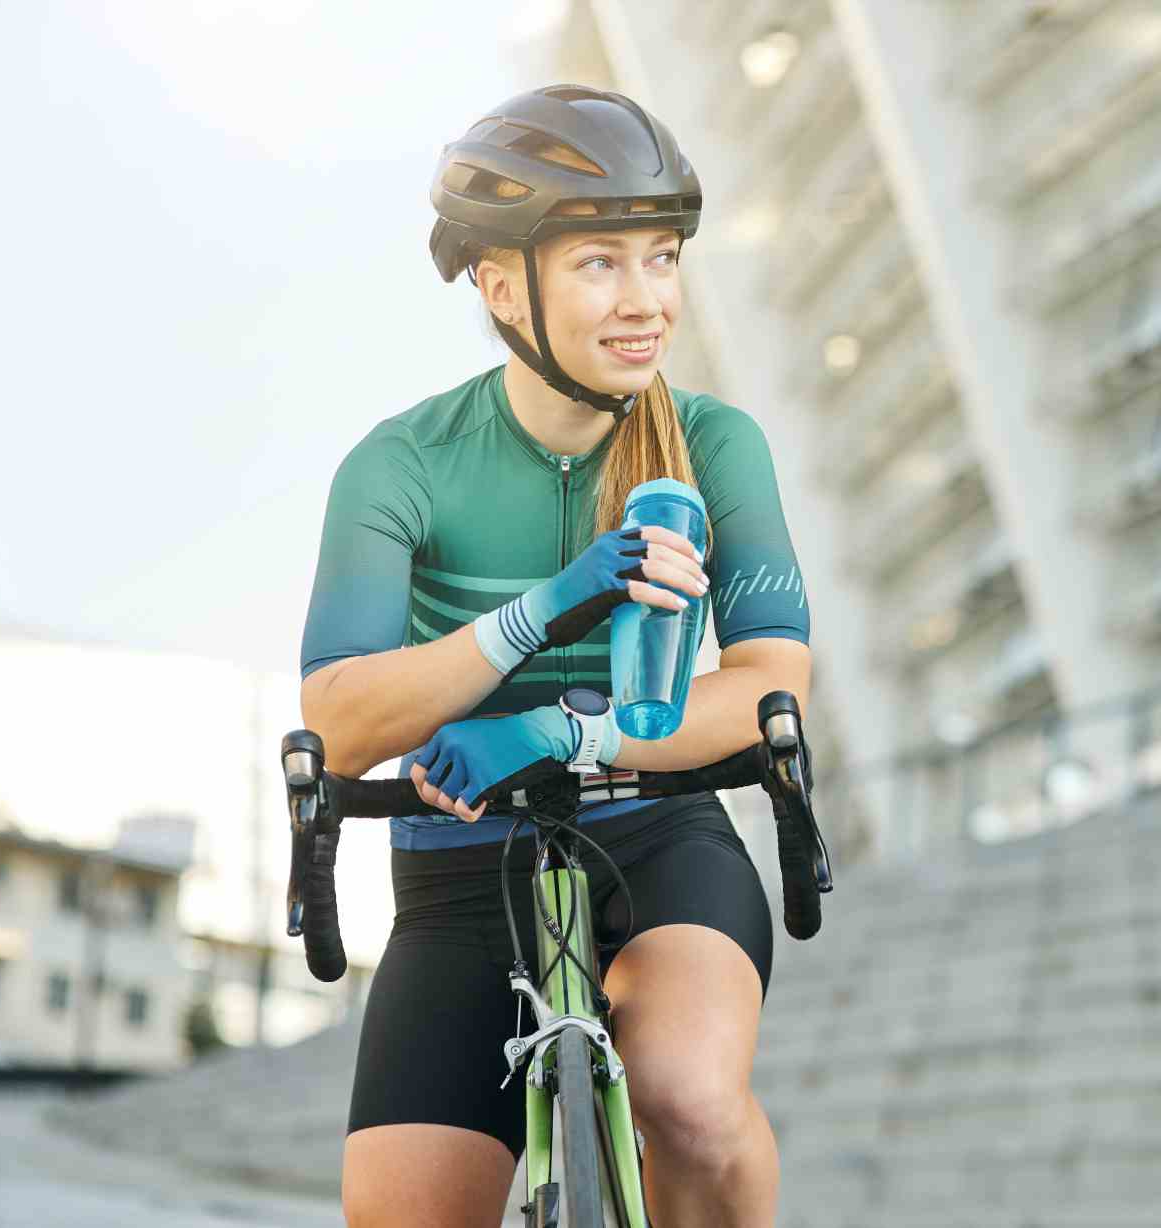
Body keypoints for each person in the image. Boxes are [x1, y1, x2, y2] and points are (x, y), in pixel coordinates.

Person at [298, 84, 810, 1227]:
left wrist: (564, 727)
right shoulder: (400, 467)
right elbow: (336, 717)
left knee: (687, 1099)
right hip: (457, 872)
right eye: (600, 264)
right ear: (499, 285)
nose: (646, 301)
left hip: (659, 832)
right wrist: (543, 611)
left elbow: (774, 685)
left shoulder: (718, 445)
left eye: (662, 258)